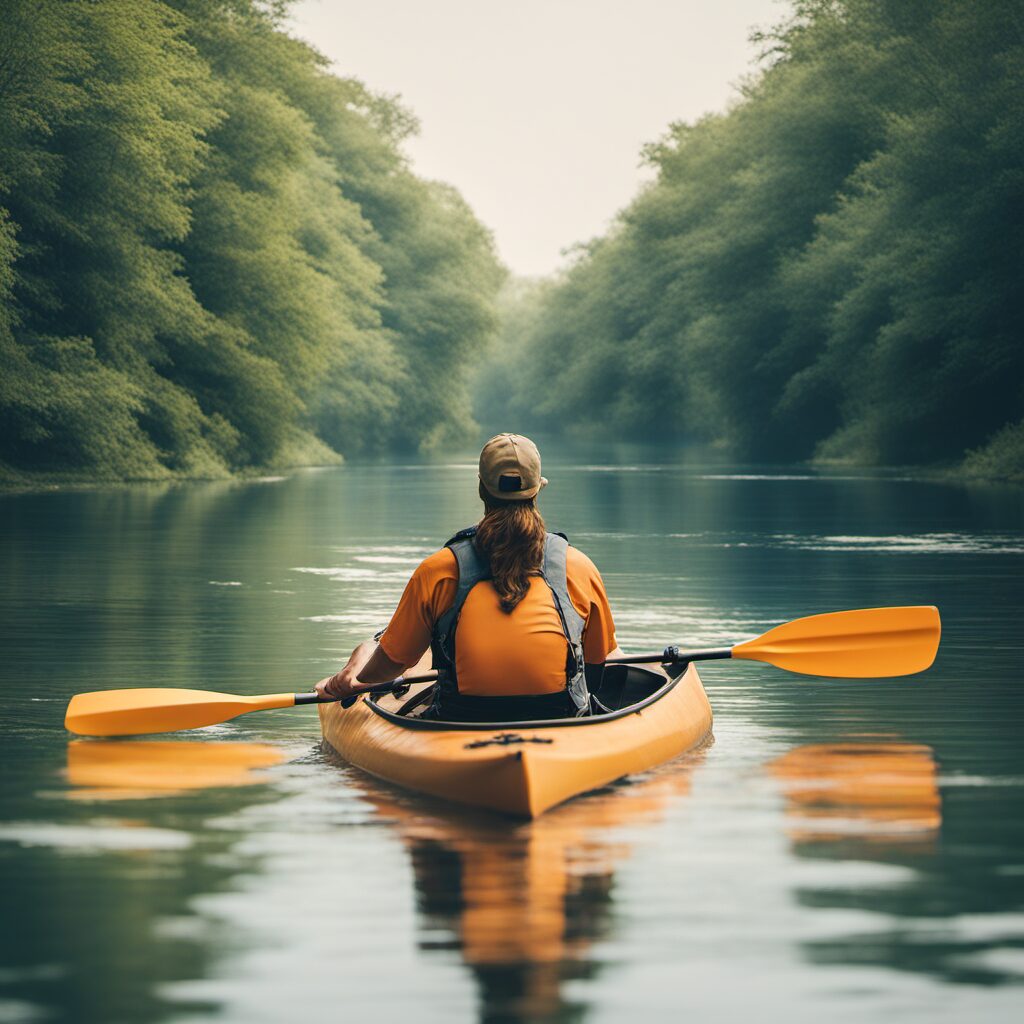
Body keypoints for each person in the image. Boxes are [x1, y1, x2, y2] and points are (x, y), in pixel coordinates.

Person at [315, 433, 624, 721]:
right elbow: (598, 664)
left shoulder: (438, 570)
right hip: (558, 719)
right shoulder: (579, 567)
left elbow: (393, 662)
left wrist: (355, 680)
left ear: (481, 488)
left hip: (461, 719)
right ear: (539, 488)